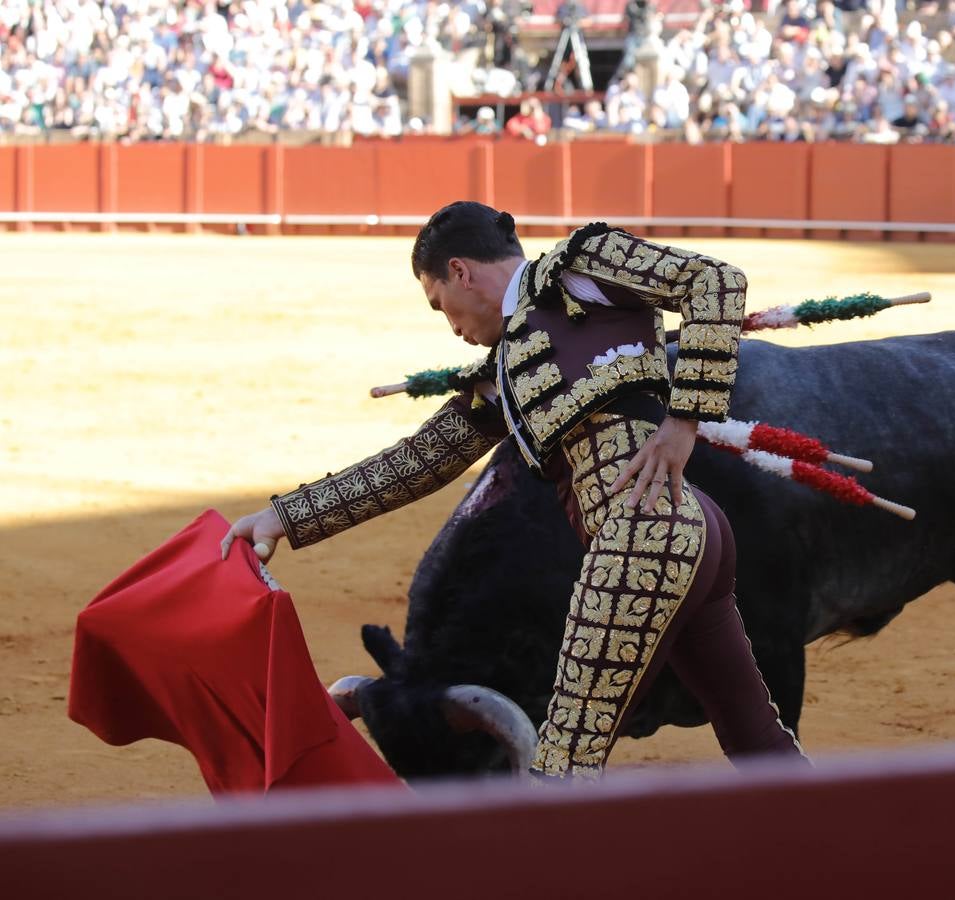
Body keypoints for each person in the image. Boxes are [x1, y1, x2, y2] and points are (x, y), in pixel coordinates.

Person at [221, 202, 808, 778]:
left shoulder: (579, 267)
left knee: (563, 765)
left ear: (460, 272)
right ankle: (837, 857)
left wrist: (684, 422)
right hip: (687, 533)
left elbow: (715, 282)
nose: (450, 325)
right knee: (754, 732)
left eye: (439, 304)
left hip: (643, 536)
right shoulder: (503, 372)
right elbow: (419, 460)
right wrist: (285, 517)